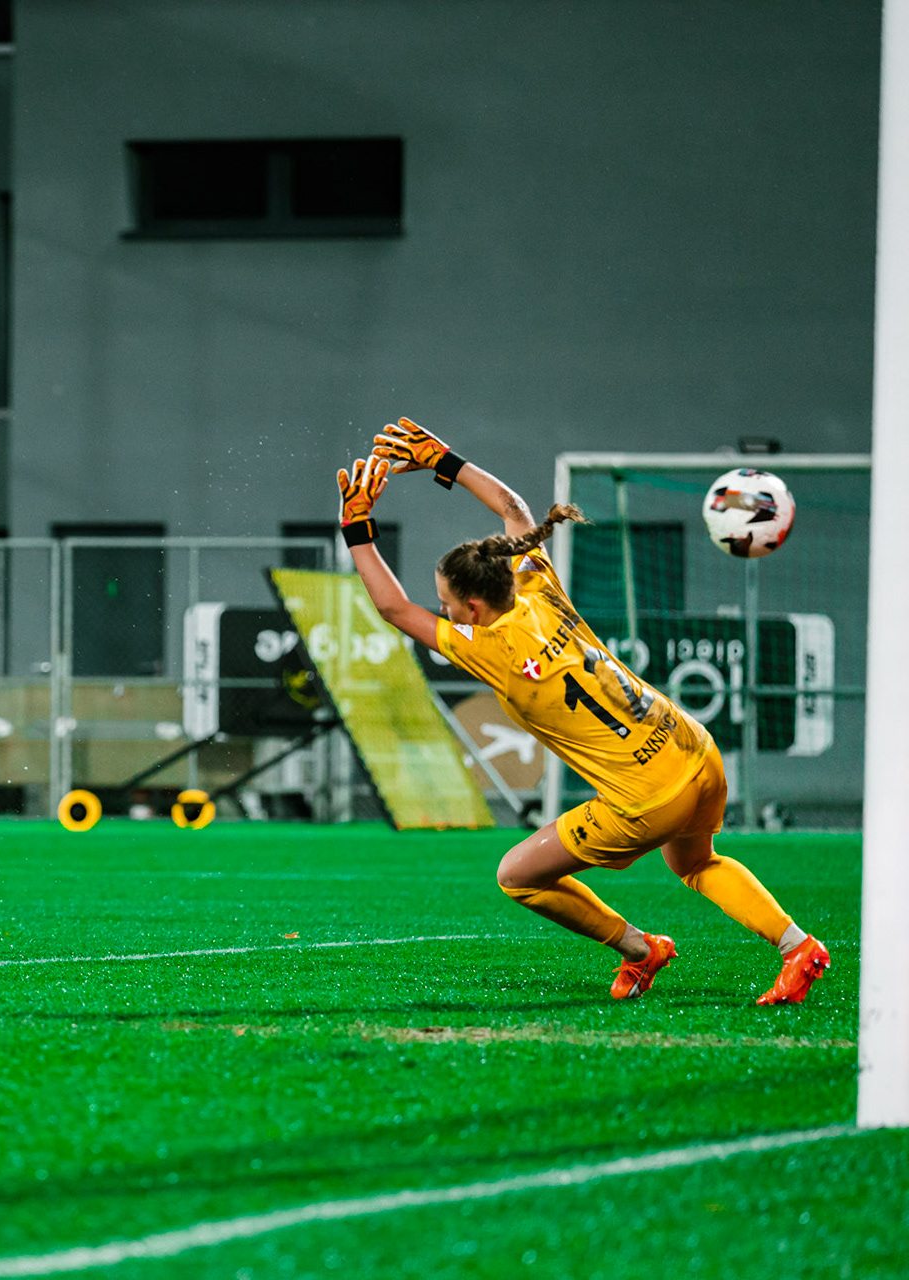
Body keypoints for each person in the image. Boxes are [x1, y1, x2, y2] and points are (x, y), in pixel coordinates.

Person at [342, 418, 829, 1004]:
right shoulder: (537, 585)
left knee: (517, 876)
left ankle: (641, 950)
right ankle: (798, 946)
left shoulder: (489, 650)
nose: (442, 613)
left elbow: (393, 608)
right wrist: (445, 461)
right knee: (698, 864)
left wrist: (355, 526)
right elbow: (515, 507)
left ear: (472, 607)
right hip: (691, 749)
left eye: (446, 605)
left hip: (645, 798)